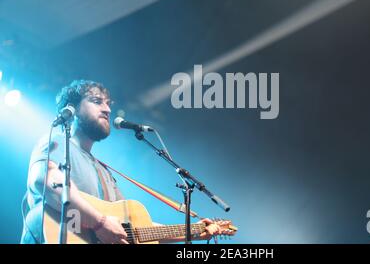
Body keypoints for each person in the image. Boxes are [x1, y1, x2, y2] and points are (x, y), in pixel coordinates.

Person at [21, 79, 223, 244]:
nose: (107, 109)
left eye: (108, 103)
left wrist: (193, 231)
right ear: (72, 109)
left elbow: (135, 227)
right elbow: (45, 182)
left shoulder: (104, 172)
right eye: (97, 101)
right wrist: (99, 223)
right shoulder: (57, 143)